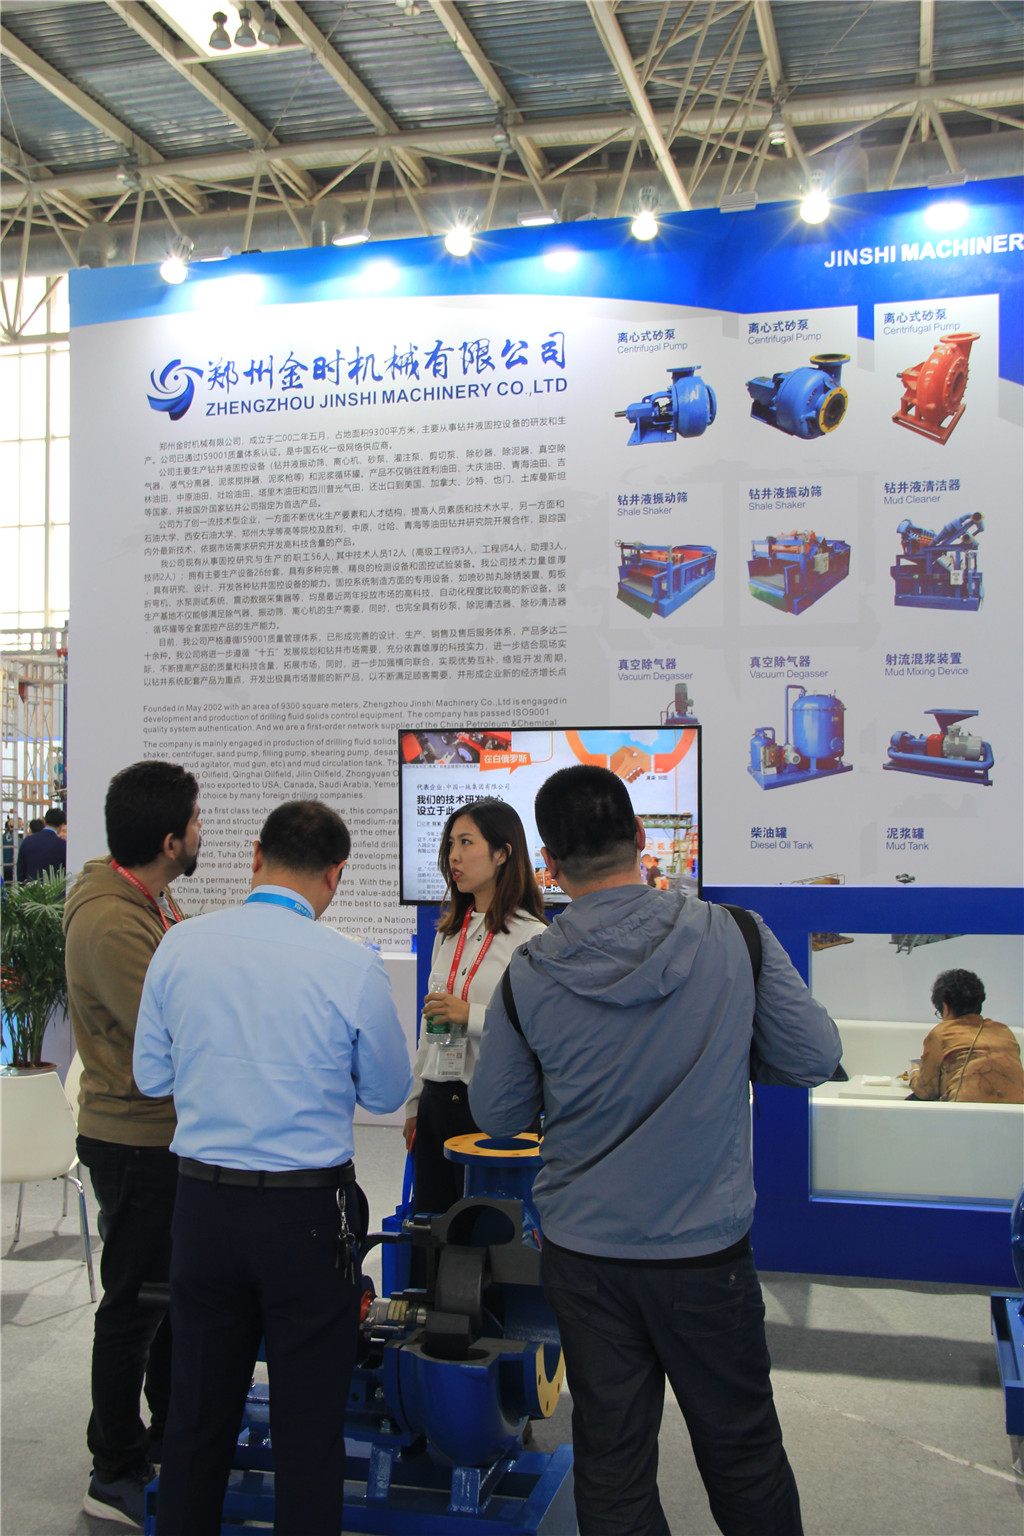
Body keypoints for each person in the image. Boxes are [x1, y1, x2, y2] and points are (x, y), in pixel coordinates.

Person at [470, 765, 842, 1536]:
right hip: (705, 1255)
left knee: (612, 1459)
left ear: (548, 863)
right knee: (743, 1450)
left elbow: (499, 1115)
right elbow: (812, 1057)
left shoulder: (528, 971)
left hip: (585, 1255)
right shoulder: (735, 934)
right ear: (641, 837)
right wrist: (725, 1049)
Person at [133, 799, 413, 1536]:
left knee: (196, 1418)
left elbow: (151, 1078)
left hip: (203, 1207)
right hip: (306, 1216)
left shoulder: (180, 945)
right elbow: (387, 1092)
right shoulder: (351, 964)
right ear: (336, 875)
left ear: (256, 855)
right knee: (308, 1430)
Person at [64, 761, 201, 1528]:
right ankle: (112, 1465)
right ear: (170, 841)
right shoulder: (113, 923)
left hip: (162, 1134)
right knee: (133, 1305)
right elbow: (168, 1030)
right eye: (196, 821)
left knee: (167, 1298)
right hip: (134, 1137)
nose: (203, 832)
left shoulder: (147, 898)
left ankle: (167, 1432)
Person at [402, 797, 546, 1217]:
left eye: (466, 842)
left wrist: (471, 1015)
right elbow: (431, 1026)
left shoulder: (532, 937)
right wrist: (415, 1104)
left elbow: (538, 1030)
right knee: (432, 1227)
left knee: (489, 1232)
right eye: (450, 844)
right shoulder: (448, 934)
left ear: (502, 854)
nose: (454, 856)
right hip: (437, 1100)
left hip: (494, 1108)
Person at [910, 968, 1023, 1103]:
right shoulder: (1004, 1032)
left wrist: (914, 1072)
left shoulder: (942, 1034)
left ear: (946, 1008)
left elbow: (926, 1091)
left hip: (966, 1113)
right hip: (1017, 1113)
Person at [16, 805, 67, 882]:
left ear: (45, 822)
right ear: (61, 825)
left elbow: (21, 870)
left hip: (30, 888)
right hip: (54, 888)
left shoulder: (27, 841)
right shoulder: (62, 845)